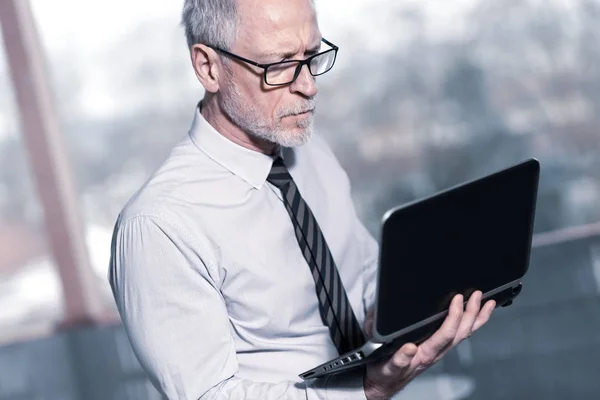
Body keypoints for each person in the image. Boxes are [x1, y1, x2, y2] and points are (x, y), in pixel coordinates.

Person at [108, 0, 496, 398]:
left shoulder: (310, 150)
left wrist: (407, 315)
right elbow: (209, 394)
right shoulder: (159, 224)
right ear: (209, 67)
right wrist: (365, 391)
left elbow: (360, 276)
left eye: (311, 56)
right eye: (278, 65)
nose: (308, 85)